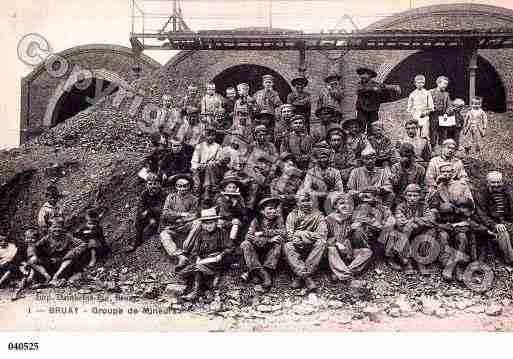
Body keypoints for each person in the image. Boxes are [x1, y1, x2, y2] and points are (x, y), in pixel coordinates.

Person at [427, 163, 475, 282]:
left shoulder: (462, 186)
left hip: (460, 221)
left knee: (462, 238)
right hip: (444, 222)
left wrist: (458, 210)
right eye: (443, 172)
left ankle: (453, 267)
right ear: (439, 174)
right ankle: (450, 265)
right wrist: (436, 186)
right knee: (443, 237)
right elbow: (430, 206)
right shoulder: (437, 187)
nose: (446, 174)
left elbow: (471, 207)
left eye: (449, 172)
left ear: (454, 173)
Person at [179, 208, 234, 301]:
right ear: (203, 224)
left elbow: (230, 248)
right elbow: (195, 250)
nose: (209, 225)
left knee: (198, 268)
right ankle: (197, 289)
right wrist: (197, 257)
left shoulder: (222, 233)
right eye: (206, 223)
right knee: (185, 271)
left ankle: (196, 292)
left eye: (211, 223)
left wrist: (221, 255)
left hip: (218, 261)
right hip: (204, 260)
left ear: (216, 222)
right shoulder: (201, 234)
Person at [283, 192, 327, 292]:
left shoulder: (318, 215)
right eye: (303, 201)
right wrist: (295, 239)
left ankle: (300, 277)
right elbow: (289, 233)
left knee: (322, 243)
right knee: (287, 246)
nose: (306, 203)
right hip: (298, 244)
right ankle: (307, 278)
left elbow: (322, 233)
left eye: (308, 201)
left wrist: (301, 233)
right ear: (297, 203)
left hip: (312, 245)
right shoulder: (292, 215)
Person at [388, 184, 435, 274]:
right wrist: (415, 222)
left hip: (419, 232)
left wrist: (416, 220)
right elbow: (400, 223)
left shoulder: (424, 206)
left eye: (415, 195)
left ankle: (420, 261)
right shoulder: (400, 206)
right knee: (406, 229)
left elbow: (431, 220)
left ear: (420, 196)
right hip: (405, 233)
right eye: (409, 195)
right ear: (405, 196)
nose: (412, 198)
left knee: (431, 231)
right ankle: (407, 262)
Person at [326, 193, 373, 282]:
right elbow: (323, 238)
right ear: (335, 206)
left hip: (348, 250)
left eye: (347, 203)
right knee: (331, 249)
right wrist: (337, 243)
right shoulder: (328, 219)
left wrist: (355, 226)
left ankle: (346, 271)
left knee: (367, 252)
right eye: (342, 203)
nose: (345, 206)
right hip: (335, 252)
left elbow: (362, 221)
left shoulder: (350, 217)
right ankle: (345, 274)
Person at [241, 197, 286, 291]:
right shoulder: (256, 220)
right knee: (246, 244)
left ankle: (262, 272)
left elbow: (283, 232)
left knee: (279, 242)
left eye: (274, 208)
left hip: (270, 253)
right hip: (258, 250)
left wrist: (262, 233)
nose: (273, 211)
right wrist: (268, 240)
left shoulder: (278, 219)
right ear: (262, 211)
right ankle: (263, 273)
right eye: (270, 208)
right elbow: (249, 236)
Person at [28, 217, 87, 286]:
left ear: (63, 228)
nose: (57, 229)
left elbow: (83, 244)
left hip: (64, 262)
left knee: (70, 259)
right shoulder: (47, 238)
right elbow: (35, 246)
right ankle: (46, 276)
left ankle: (56, 276)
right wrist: (35, 254)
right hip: (51, 262)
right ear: (50, 228)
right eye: (54, 227)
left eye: (59, 227)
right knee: (32, 260)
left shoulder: (67, 237)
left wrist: (73, 252)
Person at [159, 174, 199, 269]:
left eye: (185, 186)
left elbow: (193, 215)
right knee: (163, 235)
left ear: (189, 186)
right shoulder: (170, 197)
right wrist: (181, 215)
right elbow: (165, 214)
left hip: (187, 226)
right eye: (179, 186)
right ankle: (180, 256)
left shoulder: (194, 199)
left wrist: (177, 218)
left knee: (198, 222)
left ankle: (186, 249)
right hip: (173, 228)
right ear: (176, 186)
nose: (182, 189)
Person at [474, 171, 513, 265]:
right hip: (491, 223)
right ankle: (510, 260)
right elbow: (481, 215)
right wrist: (494, 225)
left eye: (498, 182)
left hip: (505, 221)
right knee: (502, 233)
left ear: (502, 182)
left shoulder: (508, 192)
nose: (496, 185)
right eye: (493, 182)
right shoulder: (481, 194)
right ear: (487, 183)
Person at [127, 173, 167, 253]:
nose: (152, 186)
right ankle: (136, 243)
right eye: (150, 184)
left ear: (159, 184)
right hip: (149, 217)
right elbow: (141, 208)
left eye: (155, 183)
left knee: (150, 230)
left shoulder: (163, 194)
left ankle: (153, 241)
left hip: (159, 217)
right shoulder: (144, 194)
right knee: (138, 221)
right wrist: (149, 217)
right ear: (146, 184)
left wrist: (149, 211)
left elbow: (161, 209)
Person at [350, 187, 396, 255]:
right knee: (357, 233)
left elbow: (391, 221)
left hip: (378, 235)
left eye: (372, 195)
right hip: (364, 234)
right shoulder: (361, 207)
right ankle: (365, 254)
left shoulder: (383, 208)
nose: (367, 199)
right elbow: (355, 223)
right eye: (365, 196)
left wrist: (382, 226)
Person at [301, 143, 345, 214]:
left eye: (325, 157)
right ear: (317, 159)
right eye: (321, 157)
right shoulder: (311, 172)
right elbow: (307, 190)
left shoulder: (335, 172)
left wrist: (331, 194)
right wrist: (322, 194)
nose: (323, 160)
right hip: (315, 200)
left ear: (329, 158)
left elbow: (340, 190)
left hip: (331, 200)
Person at [355, 67, 401, 134]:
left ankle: (371, 139)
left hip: (373, 109)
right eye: (362, 74)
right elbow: (360, 90)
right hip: (362, 109)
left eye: (366, 74)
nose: (363, 76)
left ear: (370, 76)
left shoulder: (376, 84)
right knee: (361, 125)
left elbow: (384, 86)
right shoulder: (359, 84)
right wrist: (372, 89)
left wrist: (395, 87)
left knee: (373, 126)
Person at [191, 126, 227, 205]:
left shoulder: (218, 147)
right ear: (205, 135)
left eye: (212, 135)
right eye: (208, 135)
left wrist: (207, 164)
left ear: (215, 136)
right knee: (194, 169)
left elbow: (218, 161)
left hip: (213, 169)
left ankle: (207, 190)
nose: (210, 137)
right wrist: (197, 166)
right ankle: (197, 191)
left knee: (210, 165)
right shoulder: (199, 146)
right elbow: (194, 160)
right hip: (201, 167)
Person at [270, 153, 305, 219]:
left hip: (294, 207)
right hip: (280, 208)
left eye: (291, 165)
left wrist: (287, 197)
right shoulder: (275, 181)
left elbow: (301, 196)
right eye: (287, 165)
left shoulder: (298, 181)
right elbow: (275, 197)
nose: (290, 167)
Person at [215, 175, 247, 243]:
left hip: (235, 221)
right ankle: (218, 242)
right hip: (223, 219)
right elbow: (223, 213)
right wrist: (229, 202)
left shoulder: (240, 198)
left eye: (234, 187)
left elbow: (243, 212)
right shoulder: (220, 198)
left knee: (236, 223)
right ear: (224, 188)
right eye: (229, 187)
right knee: (219, 223)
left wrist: (236, 204)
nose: (232, 189)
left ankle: (231, 242)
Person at [407, 74, 434, 139]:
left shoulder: (427, 93)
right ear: (415, 83)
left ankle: (425, 147)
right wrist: (413, 114)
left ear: (424, 83)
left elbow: (431, 107)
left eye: (422, 83)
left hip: (425, 117)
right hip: (416, 117)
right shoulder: (412, 94)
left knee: (425, 135)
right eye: (418, 83)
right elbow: (409, 108)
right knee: (416, 135)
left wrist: (426, 112)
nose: (420, 84)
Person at [429, 76, 450, 147]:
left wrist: (446, 113)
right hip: (433, 115)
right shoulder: (430, 92)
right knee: (433, 131)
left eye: (447, 84)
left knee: (443, 132)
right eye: (444, 84)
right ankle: (433, 147)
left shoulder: (446, 94)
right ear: (438, 83)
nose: (446, 86)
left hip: (443, 114)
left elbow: (448, 106)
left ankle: (442, 147)